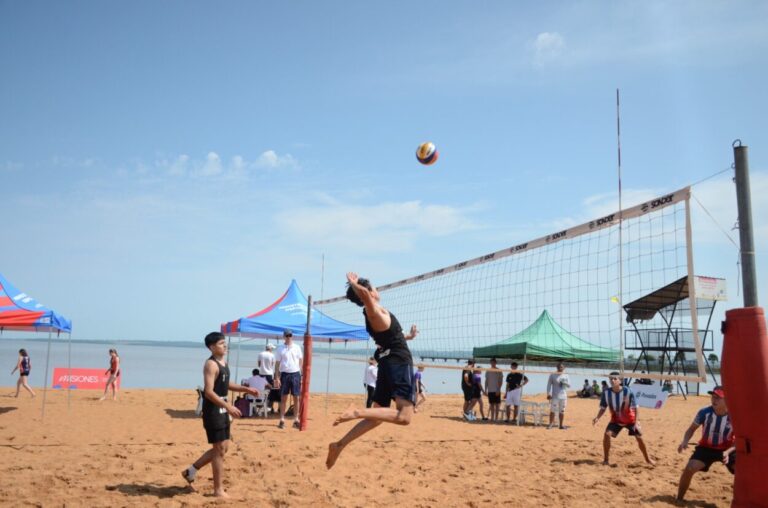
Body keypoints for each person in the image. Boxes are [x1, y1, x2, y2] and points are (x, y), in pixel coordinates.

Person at [326, 272, 419, 469]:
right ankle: (357, 411)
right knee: (404, 417)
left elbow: (391, 336)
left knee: (376, 418)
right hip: (397, 362)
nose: (377, 290)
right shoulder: (372, 311)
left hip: (387, 362)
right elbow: (367, 297)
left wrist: (408, 336)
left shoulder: (377, 313)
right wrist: (354, 284)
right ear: (367, 292)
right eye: (373, 288)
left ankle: (339, 444)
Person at [181, 332, 259, 498]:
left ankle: (191, 471)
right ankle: (218, 490)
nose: (225, 345)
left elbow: (225, 383)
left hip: (223, 408)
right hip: (213, 410)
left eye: (225, 343)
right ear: (212, 347)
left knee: (223, 448)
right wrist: (228, 406)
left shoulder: (223, 362)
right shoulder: (210, 364)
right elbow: (209, 391)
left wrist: (246, 389)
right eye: (221, 343)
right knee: (218, 450)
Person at [676, 386, 735, 502]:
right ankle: (679, 499)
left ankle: (741, 502)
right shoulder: (705, 412)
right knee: (689, 469)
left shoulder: (735, 416)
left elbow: (739, 439)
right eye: (713, 397)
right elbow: (691, 429)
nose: (714, 400)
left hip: (727, 449)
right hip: (706, 448)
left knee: (742, 472)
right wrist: (685, 441)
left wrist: (727, 452)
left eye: (718, 398)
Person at [592, 372, 654, 466]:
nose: (612, 380)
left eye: (615, 378)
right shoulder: (606, 393)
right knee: (607, 435)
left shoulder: (628, 391)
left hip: (630, 419)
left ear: (620, 380)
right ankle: (606, 460)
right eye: (611, 379)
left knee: (639, 437)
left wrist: (636, 422)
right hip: (616, 420)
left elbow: (636, 408)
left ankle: (648, 459)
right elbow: (603, 408)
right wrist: (597, 418)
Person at [274, 329, 303, 429]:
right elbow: (277, 364)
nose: (288, 337)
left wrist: (301, 374)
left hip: (295, 374)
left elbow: (300, 361)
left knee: (296, 398)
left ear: (292, 336)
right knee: (283, 398)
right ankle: (282, 419)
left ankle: (296, 420)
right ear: (284, 336)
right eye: (287, 335)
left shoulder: (297, 347)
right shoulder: (280, 348)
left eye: (290, 335)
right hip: (284, 374)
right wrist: (277, 378)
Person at [546, 362, 570, 429]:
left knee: (562, 411)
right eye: (559, 367)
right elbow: (548, 385)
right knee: (552, 410)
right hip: (555, 396)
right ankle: (550, 424)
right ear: (557, 367)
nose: (560, 368)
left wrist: (564, 383)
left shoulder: (566, 375)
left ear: (564, 368)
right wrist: (548, 393)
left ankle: (561, 425)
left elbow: (569, 385)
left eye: (561, 367)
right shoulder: (553, 375)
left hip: (564, 396)